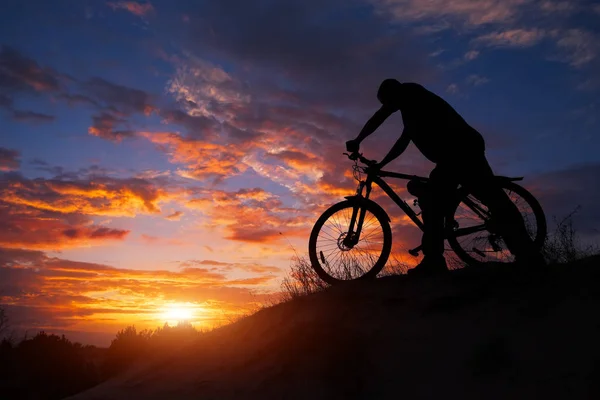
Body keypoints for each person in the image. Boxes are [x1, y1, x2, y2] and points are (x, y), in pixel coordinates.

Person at [346, 79, 545, 275]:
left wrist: (369, 151)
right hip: (455, 154)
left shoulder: (412, 96)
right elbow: (390, 130)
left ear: (393, 95)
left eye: (387, 102)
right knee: (490, 197)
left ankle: (435, 261)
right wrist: (369, 151)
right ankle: (527, 254)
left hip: (460, 152)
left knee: (442, 200)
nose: (387, 108)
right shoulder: (409, 106)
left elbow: (390, 129)